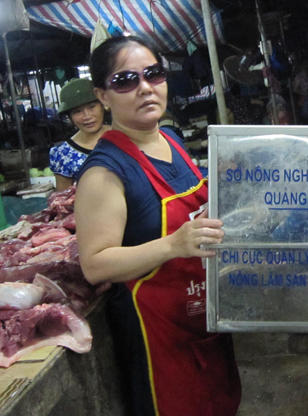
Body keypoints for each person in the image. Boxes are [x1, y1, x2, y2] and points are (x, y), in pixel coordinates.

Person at [74, 36, 241, 416]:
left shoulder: (170, 139)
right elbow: (95, 264)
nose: (145, 87)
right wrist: (172, 245)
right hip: (160, 341)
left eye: (153, 74)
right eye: (125, 80)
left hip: (204, 324)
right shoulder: (104, 173)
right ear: (102, 95)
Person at [49, 78, 110, 191]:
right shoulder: (64, 154)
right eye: (77, 111)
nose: (87, 116)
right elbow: (63, 198)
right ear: (70, 117)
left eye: (92, 107)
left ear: (102, 105)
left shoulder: (125, 135)